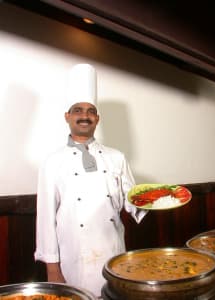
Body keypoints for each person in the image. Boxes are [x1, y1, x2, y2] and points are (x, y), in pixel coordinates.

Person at [34, 64, 147, 297]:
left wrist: (154, 200)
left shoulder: (117, 157)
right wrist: (52, 269)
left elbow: (132, 203)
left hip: (114, 256)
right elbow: (45, 220)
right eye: (77, 110)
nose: (84, 116)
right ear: (67, 116)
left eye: (90, 111)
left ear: (97, 118)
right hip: (73, 261)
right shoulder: (52, 162)